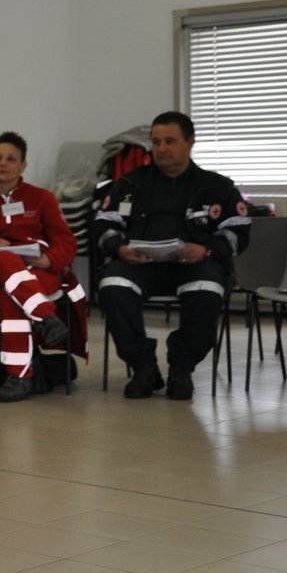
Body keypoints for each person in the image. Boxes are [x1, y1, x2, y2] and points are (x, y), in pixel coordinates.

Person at [95, 110, 251, 401]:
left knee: (207, 287)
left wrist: (206, 249)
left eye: (170, 141)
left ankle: (182, 368)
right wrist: (120, 249)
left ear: (190, 142)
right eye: (156, 142)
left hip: (195, 264)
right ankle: (143, 367)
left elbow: (238, 233)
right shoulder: (130, 183)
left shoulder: (218, 187)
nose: (162, 148)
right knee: (112, 283)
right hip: (140, 263)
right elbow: (103, 224)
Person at [0, 131, 83, 403]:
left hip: (37, 271)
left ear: (23, 165)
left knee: (10, 295)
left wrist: (50, 260)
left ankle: (19, 376)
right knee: (4, 259)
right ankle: (46, 316)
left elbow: (66, 243)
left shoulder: (43, 199)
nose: (3, 163)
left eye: (11, 159)